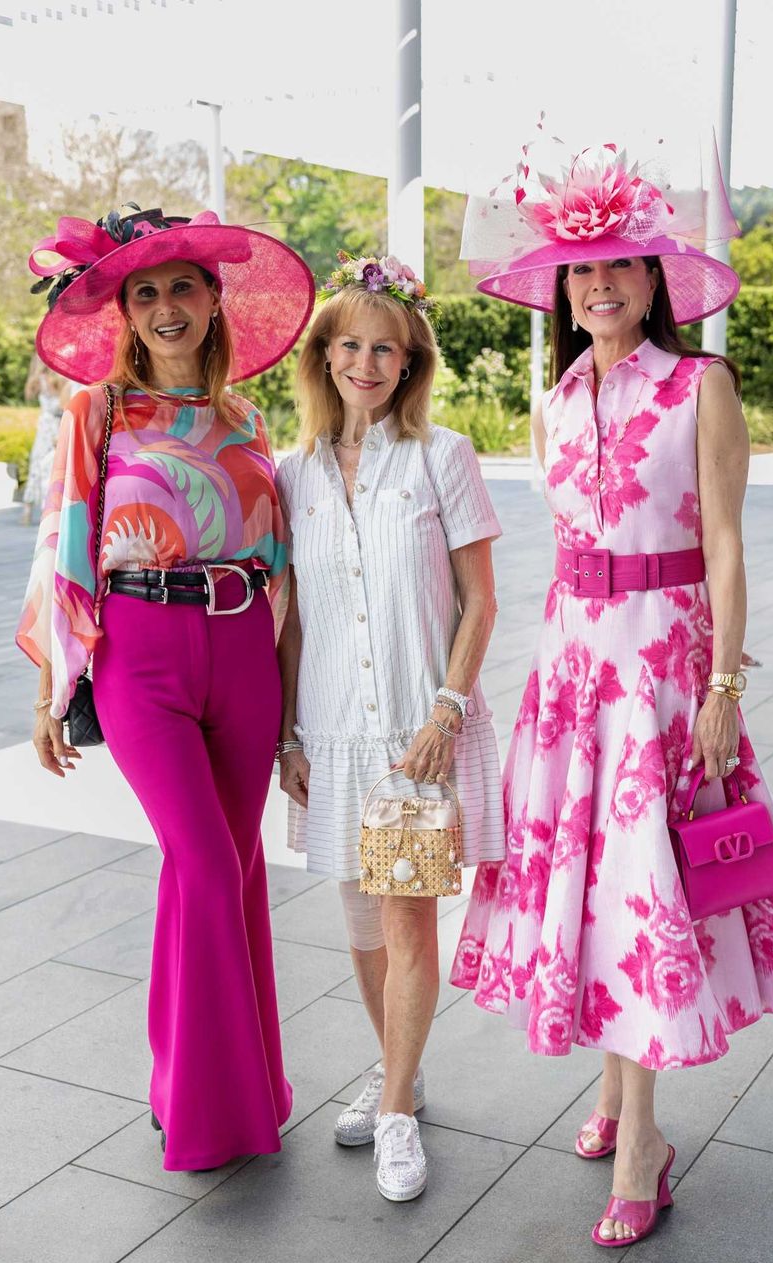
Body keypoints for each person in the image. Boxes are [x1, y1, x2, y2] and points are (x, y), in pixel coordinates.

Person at [453, 138, 773, 1247]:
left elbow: (722, 541)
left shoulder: (699, 385)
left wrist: (721, 681)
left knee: (636, 892)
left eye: (620, 267)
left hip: (662, 673)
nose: (600, 286)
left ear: (655, 279)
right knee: (589, 889)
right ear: (563, 288)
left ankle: (642, 1141)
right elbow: (567, 547)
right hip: (573, 676)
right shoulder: (554, 396)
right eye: (581, 272)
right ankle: (617, 1095)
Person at [17, 205, 315, 1171]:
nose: (164, 307)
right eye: (143, 294)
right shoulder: (96, 413)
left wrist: (293, 709)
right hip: (141, 651)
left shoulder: (249, 418)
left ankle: (220, 1080)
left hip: (241, 650)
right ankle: (214, 1110)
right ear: (126, 315)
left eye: (180, 286)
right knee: (203, 863)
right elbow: (64, 547)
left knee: (231, 868)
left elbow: (282, 564)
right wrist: (56, 687)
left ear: (211, 297)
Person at [275, 252, 504, 1202]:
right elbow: (293, 616)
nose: (368, 363)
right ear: (324, 356)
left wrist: (447, 710)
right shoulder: (292, 475)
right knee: (363, 922)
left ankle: (401, 1110)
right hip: (332, 734)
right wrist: (289, 734)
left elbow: (481, 602)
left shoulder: (443, 456)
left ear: (410, 364)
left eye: (389, 350)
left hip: (420, 729)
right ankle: (396, 1068)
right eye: (352, 346)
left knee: (409, 919)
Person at [20, 356, 72, 525]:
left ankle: (31, 509)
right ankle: (44, 507)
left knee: (39, 464)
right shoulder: (57, 380)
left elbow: (29, 393)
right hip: (53, 424)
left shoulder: (42, 380)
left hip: (48, 424)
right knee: (48, 465)